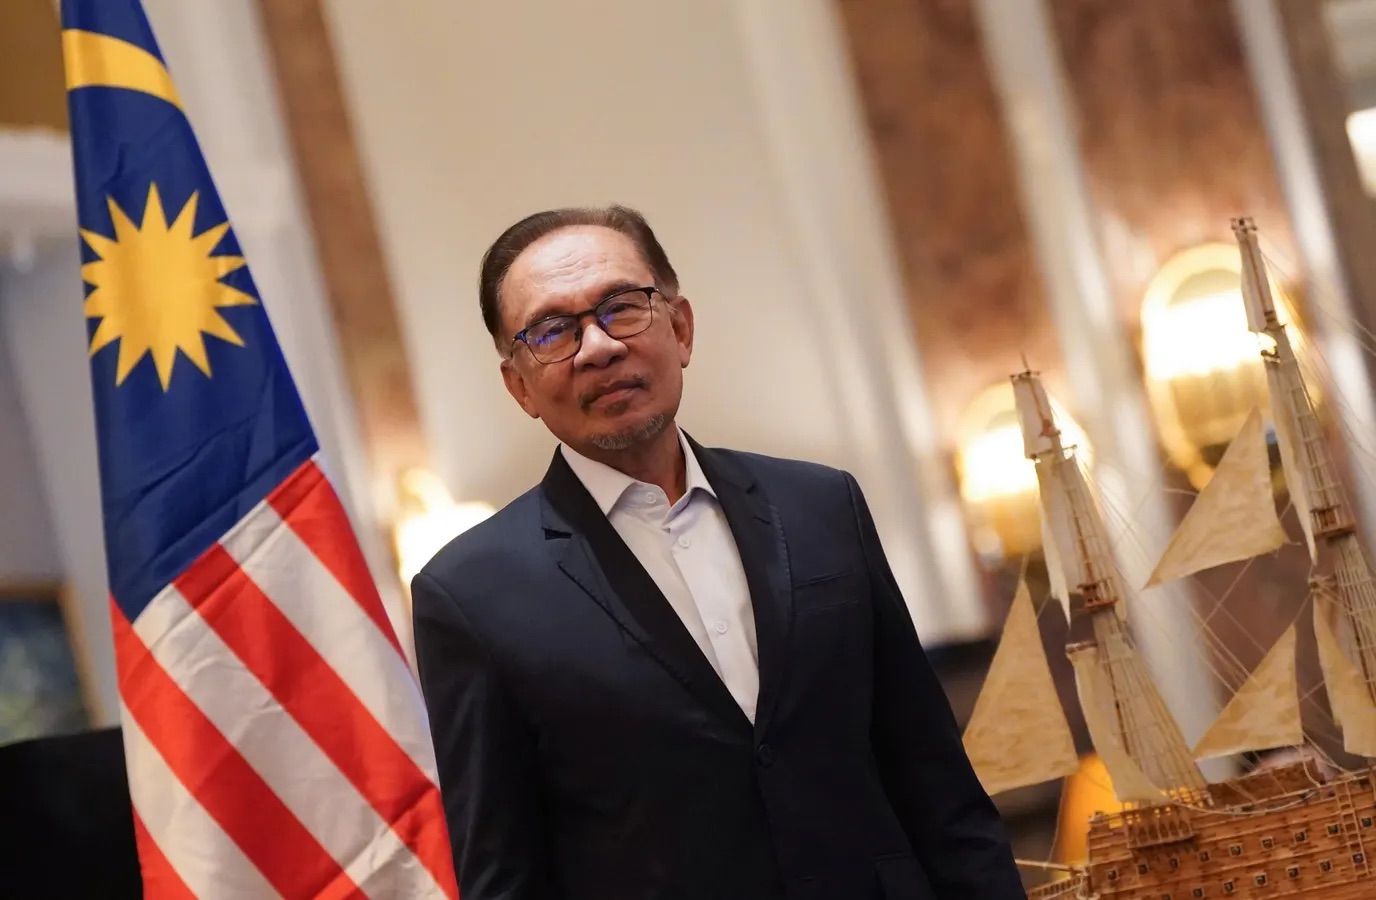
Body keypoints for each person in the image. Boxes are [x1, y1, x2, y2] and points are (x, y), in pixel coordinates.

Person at [411, 205, 1024, 900]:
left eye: (621, 307)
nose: (598, 347)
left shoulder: (821, 508)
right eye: (552, 331)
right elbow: (504, 877)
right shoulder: (471, 596)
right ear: (518, 386)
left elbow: (937, 785)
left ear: (680, 328)